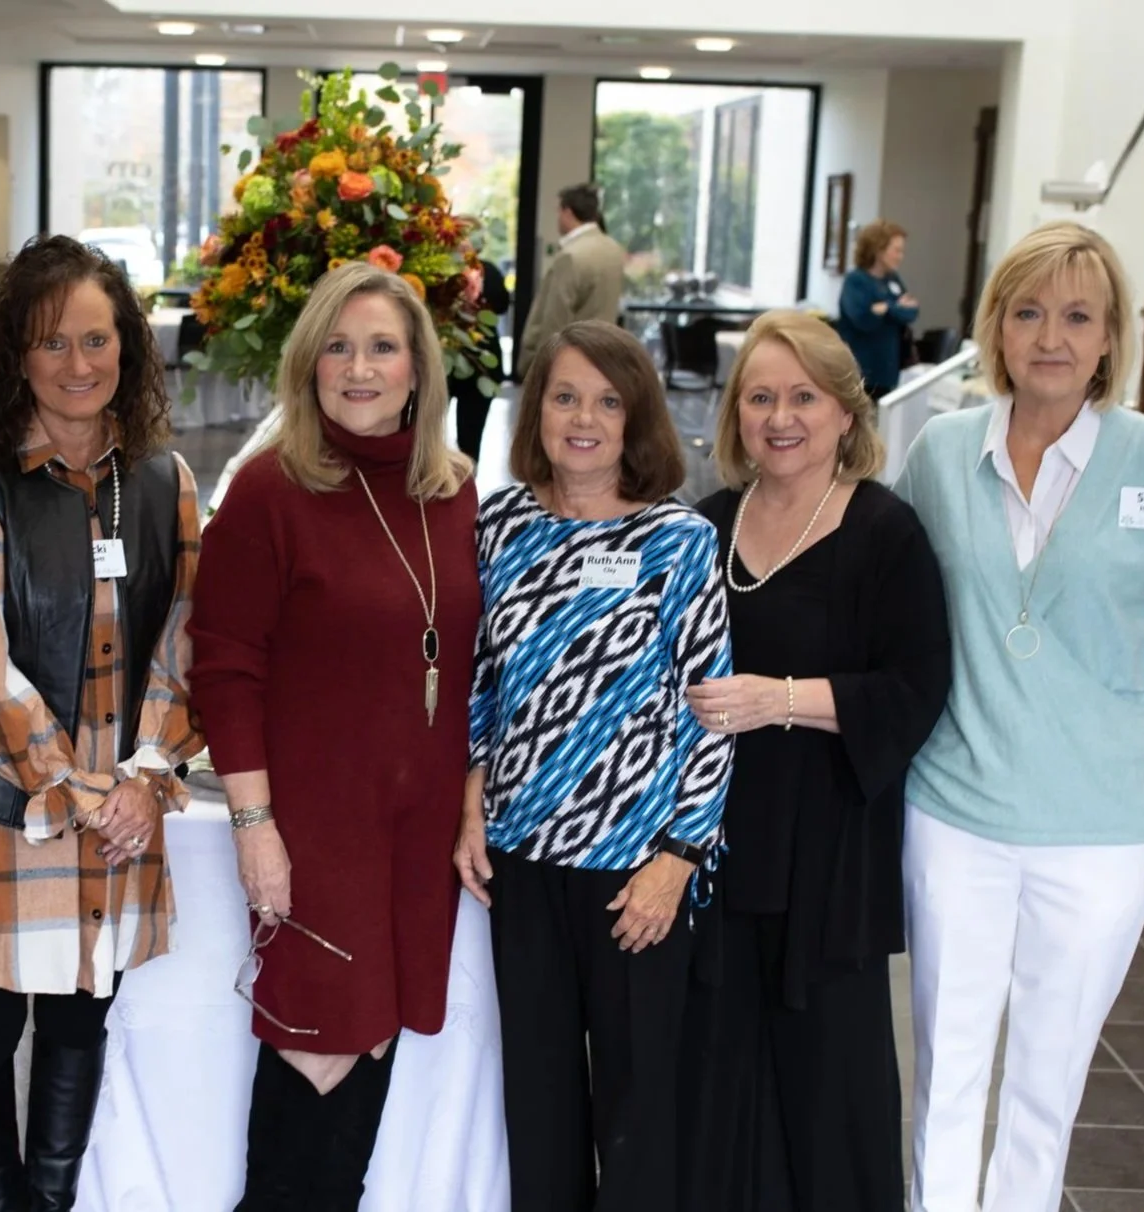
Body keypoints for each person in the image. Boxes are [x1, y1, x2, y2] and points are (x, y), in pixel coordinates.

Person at [895, 221, 1144, 1212]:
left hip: (1102, 832)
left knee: (1045, 1084)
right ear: (996, 326)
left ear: (1112, 335)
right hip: (955, 812)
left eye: (1078, 316)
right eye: (1028, 312)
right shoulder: (941, 454)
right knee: (945, 1071)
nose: (1051, 337)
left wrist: (1093, 735)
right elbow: (903, 612)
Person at [0, 234, 203, 1212]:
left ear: (129, 346)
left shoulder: (167, 483)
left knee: (81, 1024)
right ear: (17, 356)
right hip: (1, 808)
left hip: (122, 808)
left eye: (98, 340)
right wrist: (77, 790)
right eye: (52, 343)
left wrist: (150, 773)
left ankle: (51, 1201)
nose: (79, 365)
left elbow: (188, 646)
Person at [189, 261, 480, 1210]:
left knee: (372, 1055)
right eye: (340, 347)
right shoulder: (269, 491)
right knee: (315, 1056)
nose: (360, 368)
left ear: (418, 369)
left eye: (383, 347)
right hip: (317, 830)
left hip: (417, 836)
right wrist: (254, 827)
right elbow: (225, 668)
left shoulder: (457, 492)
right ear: (309, 363)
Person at [455, 319, 733, 1212]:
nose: (584, 419)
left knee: (637, 1107)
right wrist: (470, 807)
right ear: (535, 410)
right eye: (565, 397)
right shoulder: (498, 526)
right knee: (536, 1102)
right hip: (520, 863)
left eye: (608, 402)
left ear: (635, 420)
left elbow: (712, 711)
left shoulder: (677, 541)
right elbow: (478, 686)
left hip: (635, 872)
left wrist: (679, 859)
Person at [677, 311, 951, 1212]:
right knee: (715, 1090)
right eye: (760, 396)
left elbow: (916, 688)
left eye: (803, 396)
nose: (780, 416)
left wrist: (780, 699)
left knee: (829, 1095)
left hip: (828, 860)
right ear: (736, 413)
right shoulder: (703, 528)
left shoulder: (886, 533)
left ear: (845, 411)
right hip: (712, 858)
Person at [515, 184, 627, 380]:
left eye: (558, 211)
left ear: (567, 212)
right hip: (602, 357)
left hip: (570, 359)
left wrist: (543, 369)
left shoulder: (571, 255)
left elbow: (555, 318)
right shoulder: (613, 250)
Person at [836, 219, 918, 400]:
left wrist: (885, 308)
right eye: (896, 250)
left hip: (888, 372)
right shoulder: (856, 281)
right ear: (878, 250)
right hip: (861, 371)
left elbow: (911, 311)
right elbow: (863, 319)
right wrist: (895, 307)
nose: (900, 256)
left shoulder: (893, 279)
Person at [451, 260, 510, 464]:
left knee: (427, 432)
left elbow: (502, 304)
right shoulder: (488, 270)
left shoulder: (485, 270)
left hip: (474, 363)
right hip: (475, 363)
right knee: (470, 439)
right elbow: (503, 304)